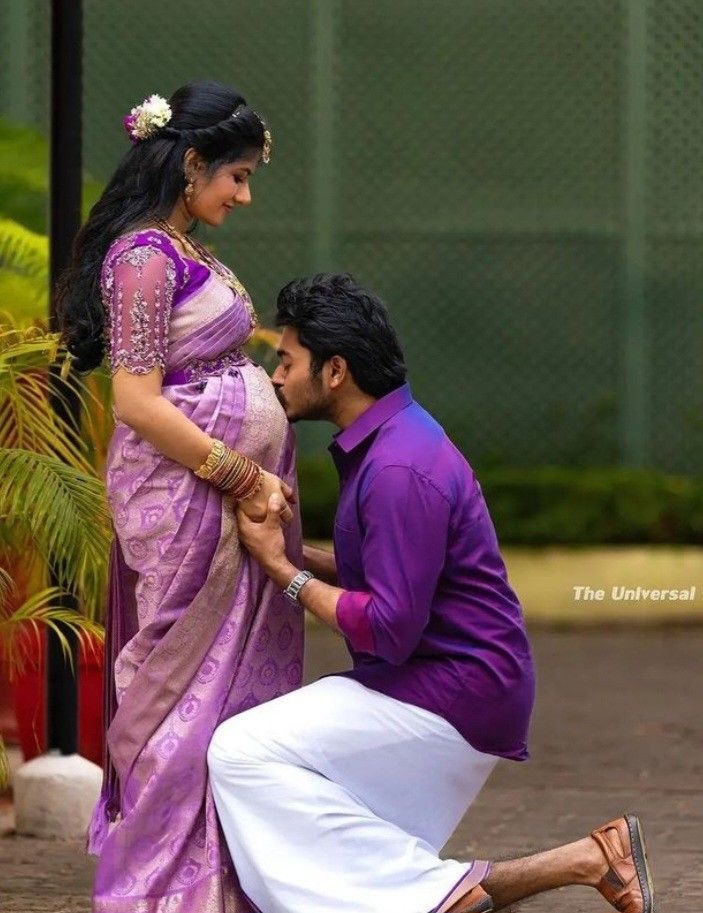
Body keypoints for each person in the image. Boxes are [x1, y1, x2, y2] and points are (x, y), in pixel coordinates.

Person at [207, 274, 655, 913]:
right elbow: (390, 571)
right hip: (458, 690)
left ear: (334, 371)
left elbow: (389, 626)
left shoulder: (397, 468)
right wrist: (289, 550)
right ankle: (589, 861)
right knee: (365, 861)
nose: (274, 376)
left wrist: (286, 574)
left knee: (243, 750)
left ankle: (437, 902)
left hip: (451, 697)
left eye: (286, 360)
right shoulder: (396, 441)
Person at [55, 81, 304, 913]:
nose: (243, 193)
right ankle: (160, 883)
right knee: (175, 688)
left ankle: (221, 870)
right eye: (234, 175)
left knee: (221, 696)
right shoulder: (143, 260)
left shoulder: (182, 249)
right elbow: (136, 398)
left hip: (215, 498)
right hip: (181, 502)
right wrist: (240, 472)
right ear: (190, 163)